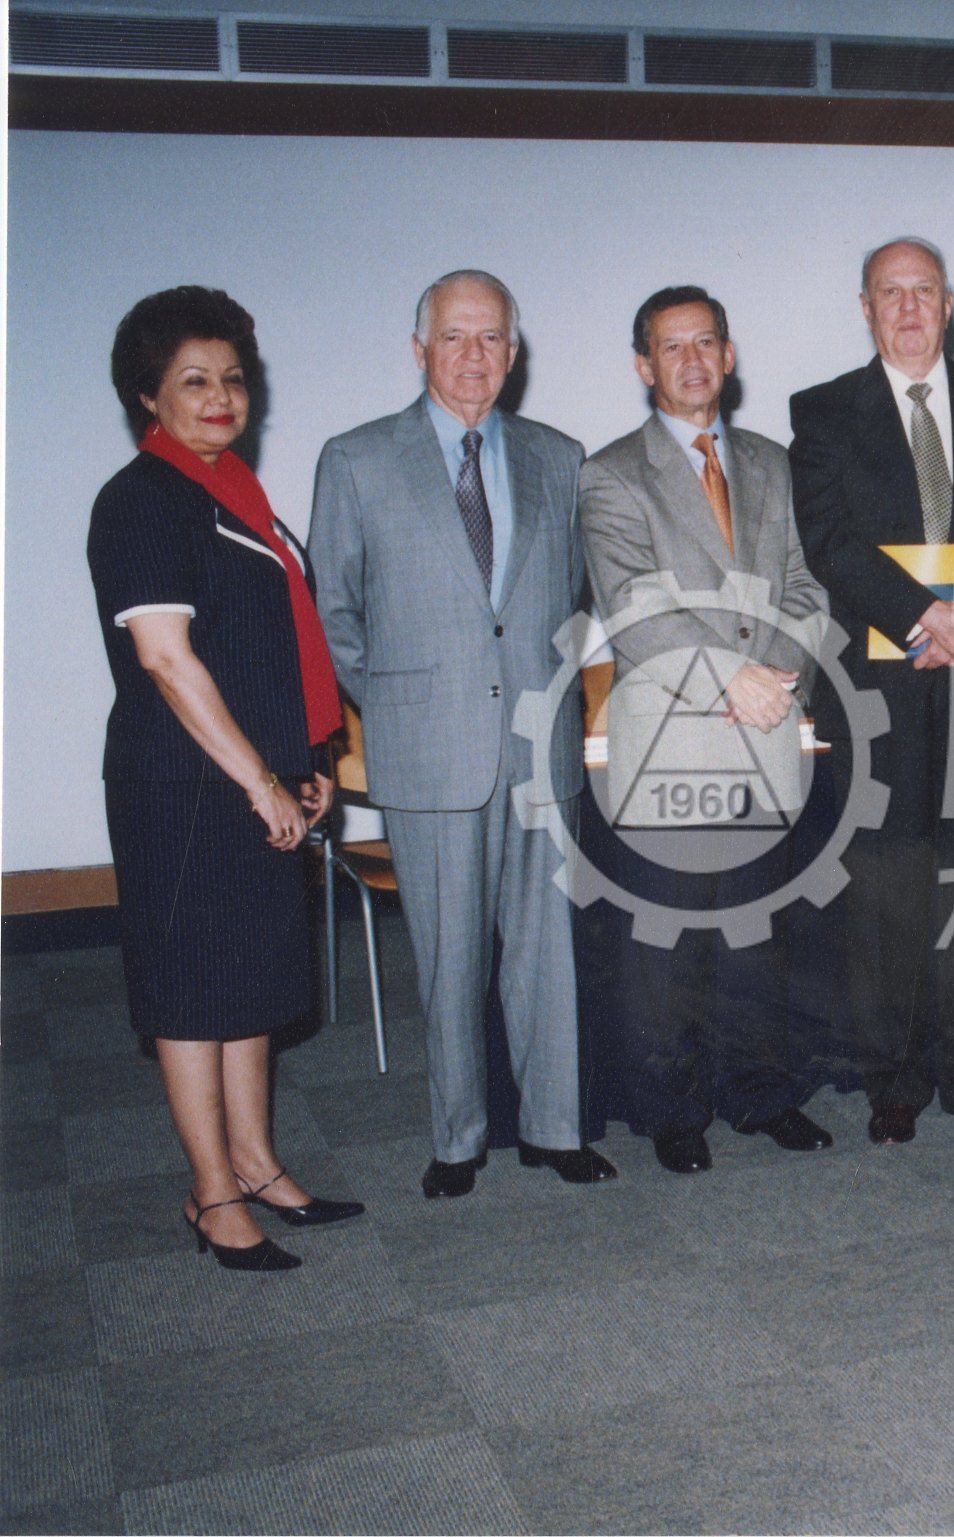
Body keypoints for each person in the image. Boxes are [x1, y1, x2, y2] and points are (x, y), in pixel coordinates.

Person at [310, 269, 614, 1198]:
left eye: (491, 338)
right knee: (448, 958)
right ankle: (458, 1139)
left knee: (546, 954)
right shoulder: (357, 459)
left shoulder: (560, 456)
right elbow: (334, 612)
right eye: (454, 336)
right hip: (428, 749)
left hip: (538, 745)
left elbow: (574, 596)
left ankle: (555, 1128)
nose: (473, 356)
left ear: (513, 353)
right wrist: (400, 702)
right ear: (419, 349)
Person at [89, 286, 364, 1270]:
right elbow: (168, 660)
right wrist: (259, 780)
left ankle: (256, 1161)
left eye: (233, 379)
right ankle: (211, 1192)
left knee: (250, 981)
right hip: (185, 784)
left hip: (257, 771)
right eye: (194, 381)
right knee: (192, 991)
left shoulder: (234, 493)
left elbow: (269, 644)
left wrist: (309, 760)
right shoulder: (141, 501)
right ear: (148, 395)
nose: (220, 398)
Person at [789, 238, 954, 1143]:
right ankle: (893, 1080)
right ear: (865, 308)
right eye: (890, 292)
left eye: (924, 290)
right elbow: (828, 542)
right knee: (884, 897)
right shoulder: (822, 411)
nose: (908, 308)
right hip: (878, 689)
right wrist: (926, 618)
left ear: (948, 304)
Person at [579, 285, 833, 1174]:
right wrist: (735, 677)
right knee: (669, 946)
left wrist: (772, 675)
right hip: (670, 743)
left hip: (765, 732)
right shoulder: (611, 473)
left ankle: (759, 1091)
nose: (691, 361)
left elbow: (806, 584)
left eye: (705, 343)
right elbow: (634, 609)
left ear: (728, 355)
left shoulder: (773, 462)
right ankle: (671, 1108)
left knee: (756, 938)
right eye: (670, 346)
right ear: (643, 365)